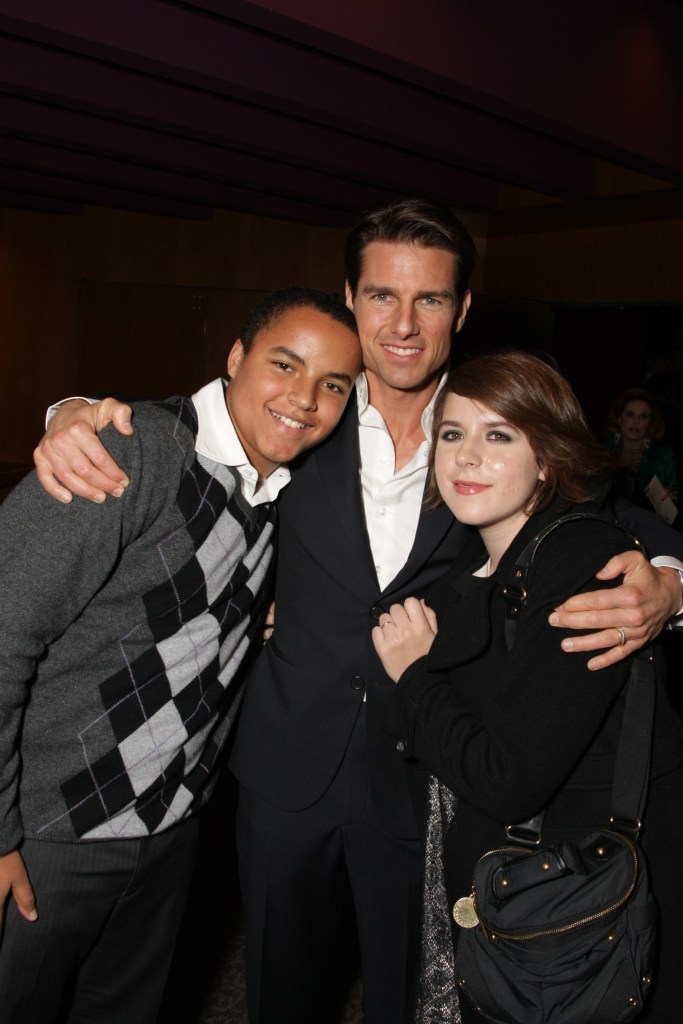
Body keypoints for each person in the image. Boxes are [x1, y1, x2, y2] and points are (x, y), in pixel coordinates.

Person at [32, 199, 683, 1024]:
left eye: (430, 300)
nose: (403, 324)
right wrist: (69, 415)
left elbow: (612, 505)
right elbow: (168, 419)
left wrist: (669, 576)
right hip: (284, 765)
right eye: (381, 296)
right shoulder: (301, 414)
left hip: (427, 772)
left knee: (415, 996)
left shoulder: (492, 423)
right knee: (280, 991)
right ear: (351, 297)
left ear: (463, 308)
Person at [0, 287, 361, 1024]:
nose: (303, 399)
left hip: (168, 835)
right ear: (235, 356)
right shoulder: (129, 450)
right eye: (284, 365)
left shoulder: (279, 496)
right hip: (47, 834)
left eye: (333, 385)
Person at [372, 350, 683, 1023]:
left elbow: (507, 777)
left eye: (498, 434)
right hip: (524, 900)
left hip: (574, 910)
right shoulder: (478, 556)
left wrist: (414, 673)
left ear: (546, 458)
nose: (466, 457)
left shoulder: (577, 563)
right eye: (452, 434)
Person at [606, 387, 679, 513]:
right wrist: (616, 464)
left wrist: (670, 495)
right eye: (630, 414)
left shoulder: (663, 455)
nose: (636, 422)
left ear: (650, 423)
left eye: (643, 416)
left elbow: (675, 492)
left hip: (648, 524)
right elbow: (589, 486)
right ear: (619, 419)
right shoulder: (604, 448)